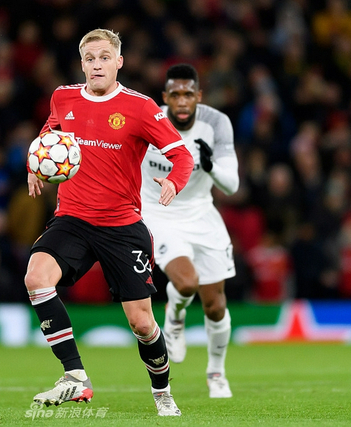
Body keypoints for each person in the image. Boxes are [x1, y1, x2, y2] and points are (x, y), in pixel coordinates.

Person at [25, 29, 194, 417]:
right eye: (90, 58)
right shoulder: (63, 97)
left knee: (142, 324)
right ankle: (75, 377)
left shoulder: (140, 107)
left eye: (104, 57)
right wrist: (37, 164)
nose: (97, 65)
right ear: (82, 63)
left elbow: (181, 156)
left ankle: (162, 392)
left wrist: (173, 181)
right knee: (36, 278)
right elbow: (49, 134)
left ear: (119, 62)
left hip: (121, 226)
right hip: (73, 218)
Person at [140, 63, 239, 398]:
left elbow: (232, 185)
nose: (182, 101)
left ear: (199, 96)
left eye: (188, 94)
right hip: (158, 212)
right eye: (175, 94)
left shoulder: (216, 123)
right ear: (165, 97)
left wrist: (210, 166)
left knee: (216, 305)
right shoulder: (148, 119)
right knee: (186, 282)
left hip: (201, 213)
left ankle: (216, 373)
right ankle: (175, 315)